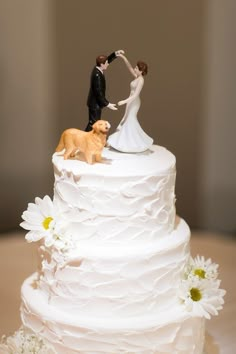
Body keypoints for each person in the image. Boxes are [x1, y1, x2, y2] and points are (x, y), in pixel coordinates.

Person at [108, 54, 153, 152]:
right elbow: (129, 67)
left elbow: (135, 95)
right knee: (125, 119)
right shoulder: (137, 77)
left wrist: (124, 101)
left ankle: (135, 143)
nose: (134, 68)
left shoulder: (141, 80)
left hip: (134, 102)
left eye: (136, 68)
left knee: (130, 120)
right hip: (130, 101)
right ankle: (126, 141)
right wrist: (124, 58)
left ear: (141, 71)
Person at [85, 50, 124, 132]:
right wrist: (107, 104)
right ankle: (83, 140)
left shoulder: (98, 67)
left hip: (96, 103)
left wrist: (115, 54)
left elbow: (107, 60)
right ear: (102, 64)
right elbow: (98, 93)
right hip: (95, 104)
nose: (108, 64)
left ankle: (89, 140)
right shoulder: (97, 75)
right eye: (106, 63)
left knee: (95, 123)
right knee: (93, 124)